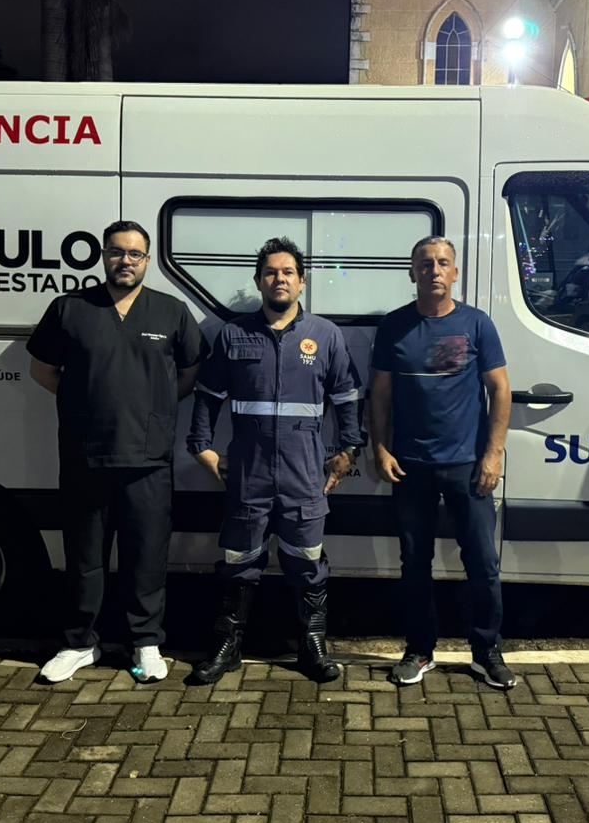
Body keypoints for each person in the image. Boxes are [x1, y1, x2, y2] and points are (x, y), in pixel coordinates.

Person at [27, 220, 203, 684]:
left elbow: (189, 373)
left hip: (148, 459)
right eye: (117, 252)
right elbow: (42, 370)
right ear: (103, 256)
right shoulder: (70, 309)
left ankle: (145, 642)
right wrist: (84, 404)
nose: (126, 261)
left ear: (148, 260)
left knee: (146, 557)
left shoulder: (171, 312)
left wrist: (153, 409)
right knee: (84, 558)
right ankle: (78, 643)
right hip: (86, 456)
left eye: (135, 254)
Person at [186, 237, 364, 684]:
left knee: (307, 561)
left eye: (287, 272)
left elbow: (347, 398)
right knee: (238, 560)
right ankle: (227, 648)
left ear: (302, 282)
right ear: (258, 281)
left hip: (305, 471)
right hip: (249, 471)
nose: (279, 279)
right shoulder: (234, 334)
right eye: (270, 272)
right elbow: (207, 396)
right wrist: (202, 447)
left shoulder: (325, 335)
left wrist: (348, 451)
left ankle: (312, 648)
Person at [369, 235, 516, 689]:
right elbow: (380, 394)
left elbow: (500, 390)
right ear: (412, 273)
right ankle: (419, 650)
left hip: (466, 466)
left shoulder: (476, 325)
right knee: (415, 563)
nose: (434, 270)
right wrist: (380, 448)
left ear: (454, 273)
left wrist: (493, 454)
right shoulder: (394, 327)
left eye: (442, 263)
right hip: (410, 466)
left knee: (483, 564)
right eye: (425, 263)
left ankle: (486, 652)